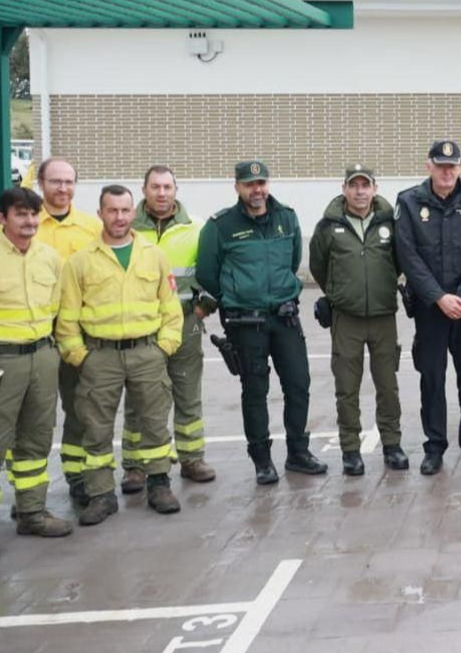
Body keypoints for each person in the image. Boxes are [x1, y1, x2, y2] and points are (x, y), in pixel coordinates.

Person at [0, 187, 73, 563]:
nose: (30, 222)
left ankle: (32, 512)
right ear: (1, 218)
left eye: (34, 215)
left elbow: (54, 307)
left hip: (41, 357)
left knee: (35, 443)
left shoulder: (49, 259)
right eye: (20, 215)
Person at [57, 184, 184, 523]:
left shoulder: (153, 255)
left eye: (125, 210)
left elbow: (170, 308)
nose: (119, 217)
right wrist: (80, 356)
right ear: (100, 213)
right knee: (95, 428)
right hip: (100, 356)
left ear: (134, 211)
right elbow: (67, 319)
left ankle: (159, 484)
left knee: (155, 424)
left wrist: (164, 347)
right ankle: (100, 495)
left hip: (146, 352)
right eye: (112, 210)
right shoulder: (80, 262)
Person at [197, 161, 324, 484]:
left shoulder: (287, 217)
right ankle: (262, 460)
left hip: (284, 318)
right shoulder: (220, 225)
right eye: (250, 184)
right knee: (255, 391)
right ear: (237, 186)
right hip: (245, 322)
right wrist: (236, 294)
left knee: (298, 385)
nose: (257, 190)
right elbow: (207, 274)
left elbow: (294, 260)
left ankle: (298, 452)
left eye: (261, 183)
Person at [396, 142, 461, 474]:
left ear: (460, 167)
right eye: (441, 165)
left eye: (452, 166)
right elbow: (408, 256)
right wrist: (439, 297)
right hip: (430, 308)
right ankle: (434, 447)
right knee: (432, 378)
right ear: (429, 166)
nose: (447, 171)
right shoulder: (409, 202)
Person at [309, 164, 405, 475]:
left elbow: (401, 261)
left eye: (365, 185)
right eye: (354, 185)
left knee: (387, 385)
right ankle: (350, 449)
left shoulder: (390, 223)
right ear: (344, 188)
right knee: (347, 387)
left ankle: (392, 443)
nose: (360, 191)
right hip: (346, 318)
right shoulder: (328, 227)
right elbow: (319, 267)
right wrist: (339, 294)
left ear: (375, 189)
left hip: (383, 316)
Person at [126, 165, 214, 487]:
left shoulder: (197, 227)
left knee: (188, 390)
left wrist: (204, 309)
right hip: (141, 326)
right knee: (140, 397)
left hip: (187, 322)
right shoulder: (126, 229)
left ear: (176, 190)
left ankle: (192, 458)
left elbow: (213, 272)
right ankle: (135, 465)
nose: (161, 193)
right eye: (155, 187)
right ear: (144, 189)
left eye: (167, 187)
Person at [32, 158, 102, 504]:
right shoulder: (28, 225)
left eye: (69, 182)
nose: (62, 189)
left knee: (80, 411)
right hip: (38, 339)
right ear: (41, 184)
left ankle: (78, 477)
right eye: (55, 182)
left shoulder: (91, 228)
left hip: (77, 335)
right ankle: (29, 492)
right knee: (34, 418)